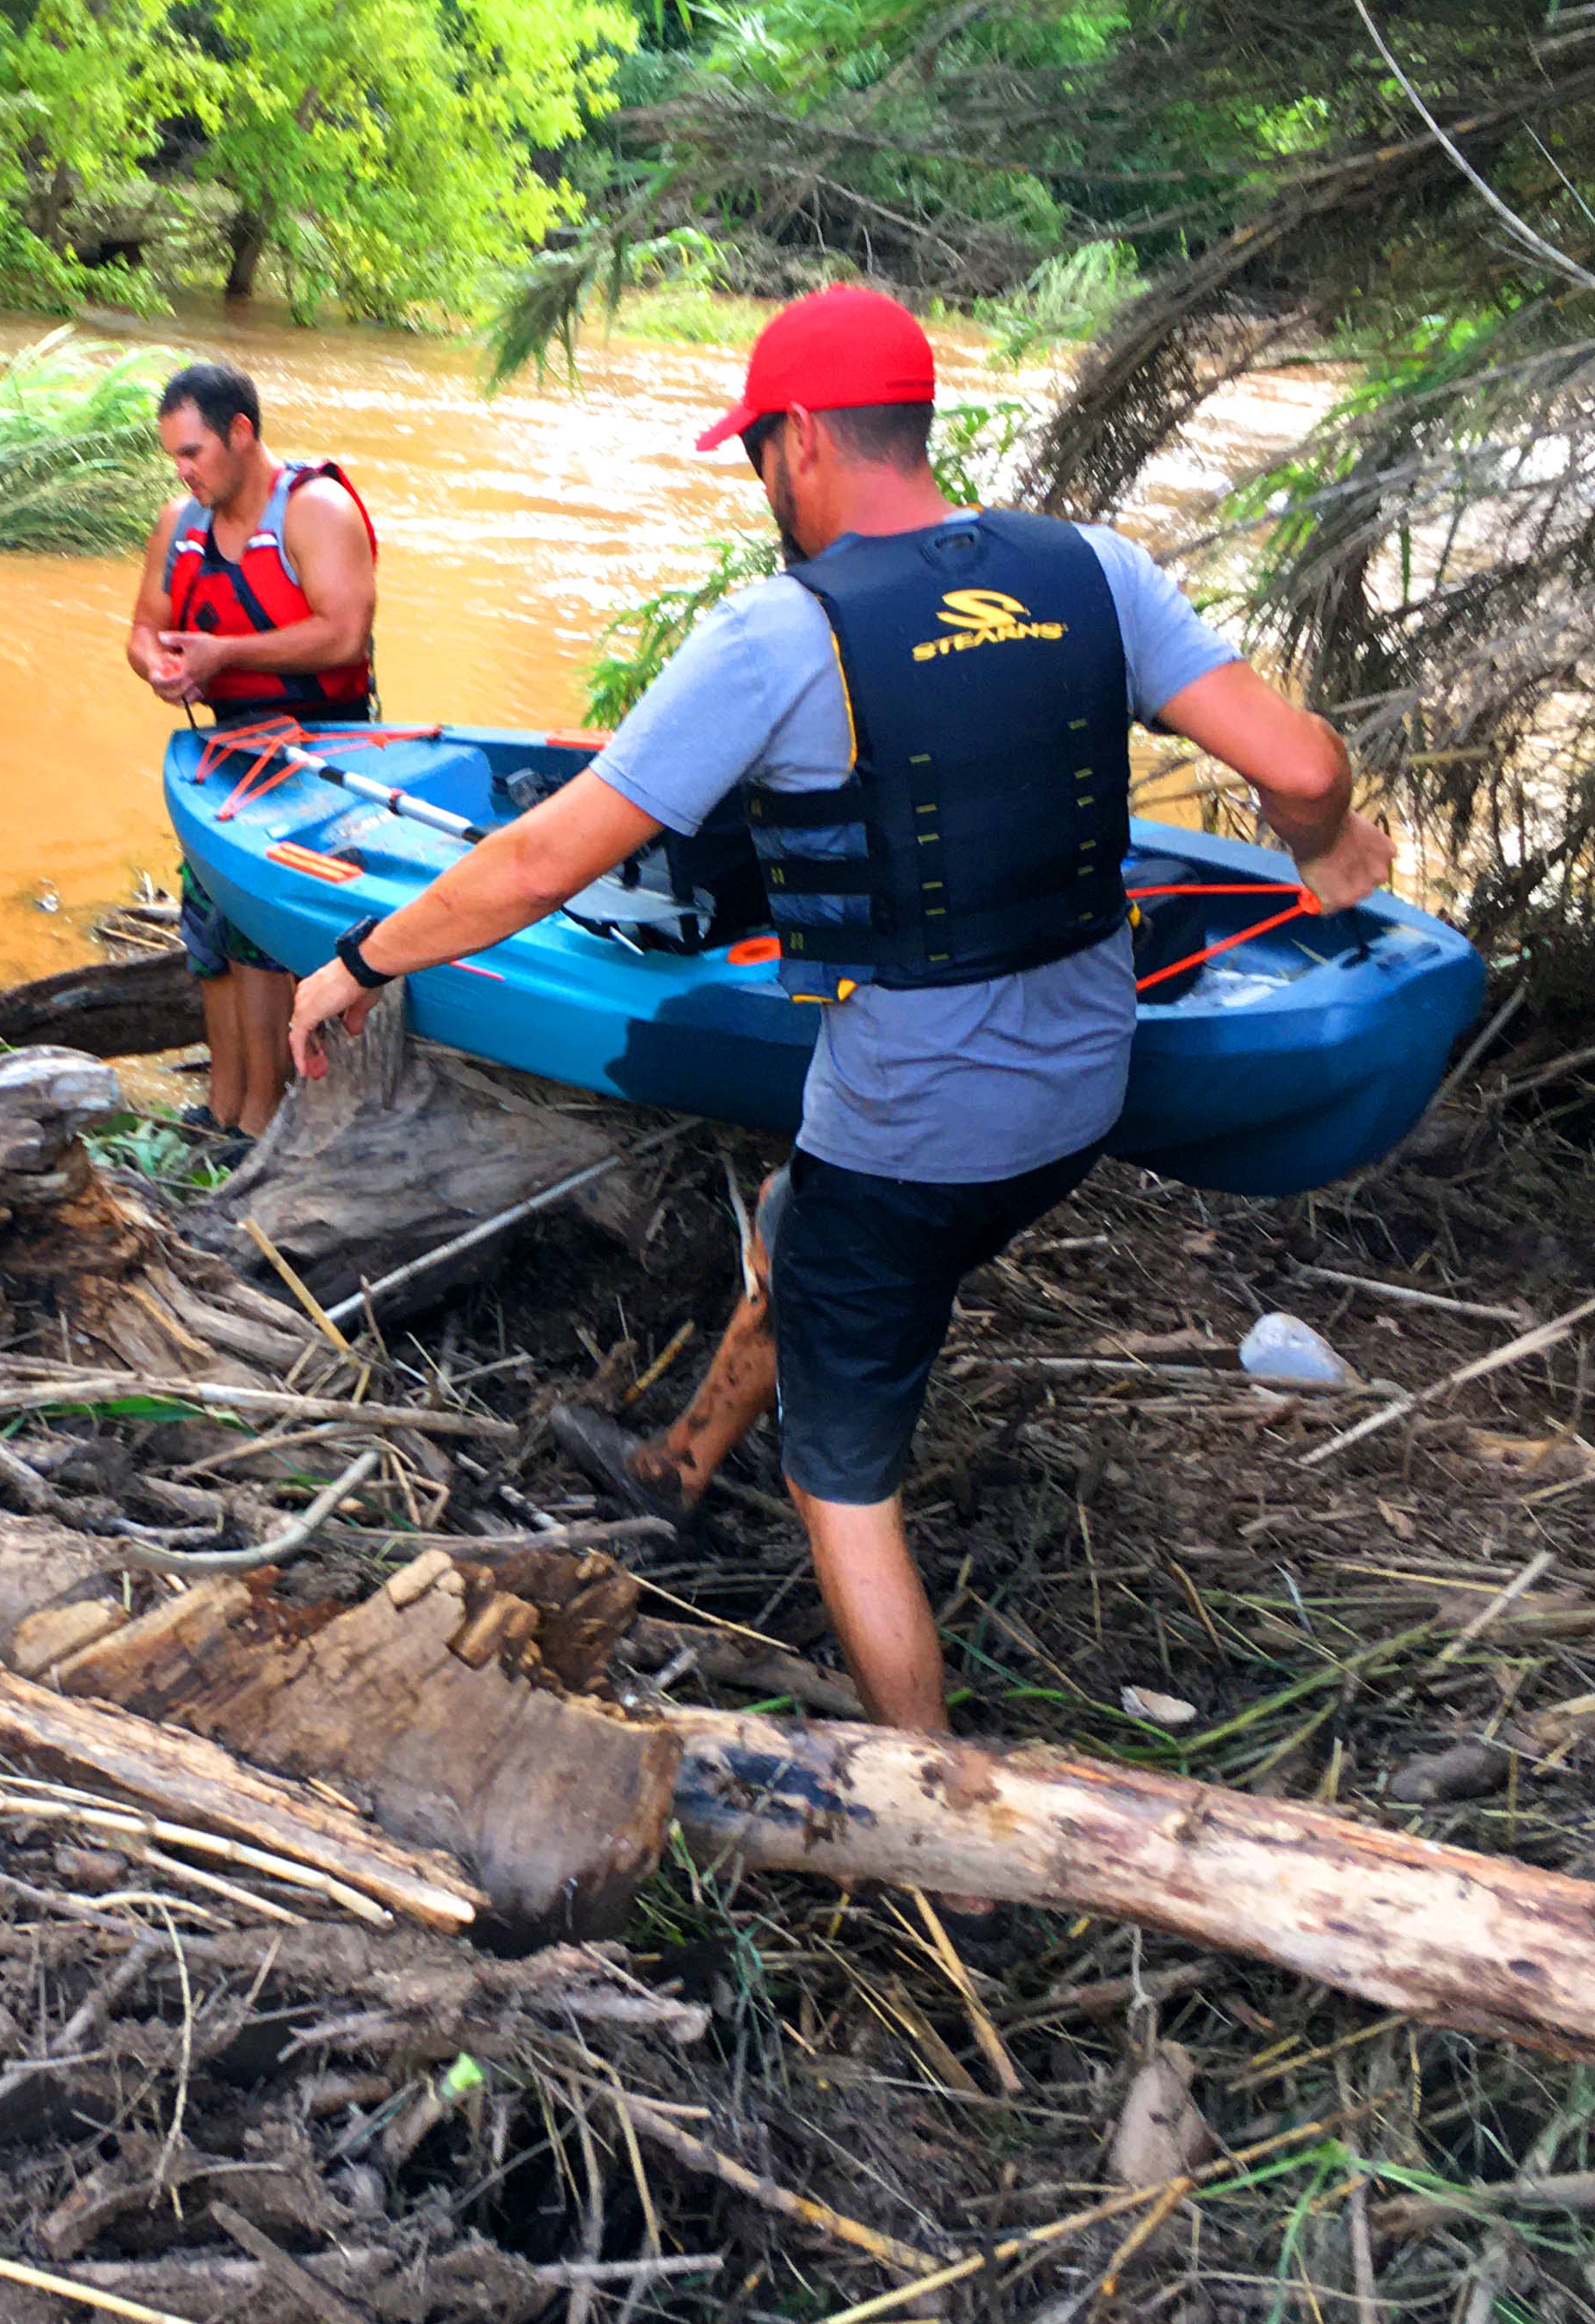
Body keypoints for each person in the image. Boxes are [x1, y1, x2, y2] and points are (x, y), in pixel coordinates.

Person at [286, 285, 1394, 1752]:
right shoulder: (1093, 571)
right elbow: (1301, 757)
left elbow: (542, 860)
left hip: (919, 1126)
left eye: (756, 452)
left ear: (800, 441)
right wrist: (1319, 845)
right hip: (1082, 1088)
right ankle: (675, 1465)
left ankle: (926, 1796)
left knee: (842, 1472)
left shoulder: (775, 633)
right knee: (791, 1217)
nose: (761, 485)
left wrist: (358, 960)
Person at [128, 361, 379, 1143]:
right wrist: (161, 665)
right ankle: (222, 1108)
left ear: (243, 433)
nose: (183, 469)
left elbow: (344, 634)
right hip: (222, 754)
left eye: (194, 451)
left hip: (319, 754)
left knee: (262, 934)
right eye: (173, 454)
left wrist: (222, 655)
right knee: (208, 930)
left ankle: (263, 1125)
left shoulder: (316, 509)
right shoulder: (179, 522)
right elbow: (142, 628)